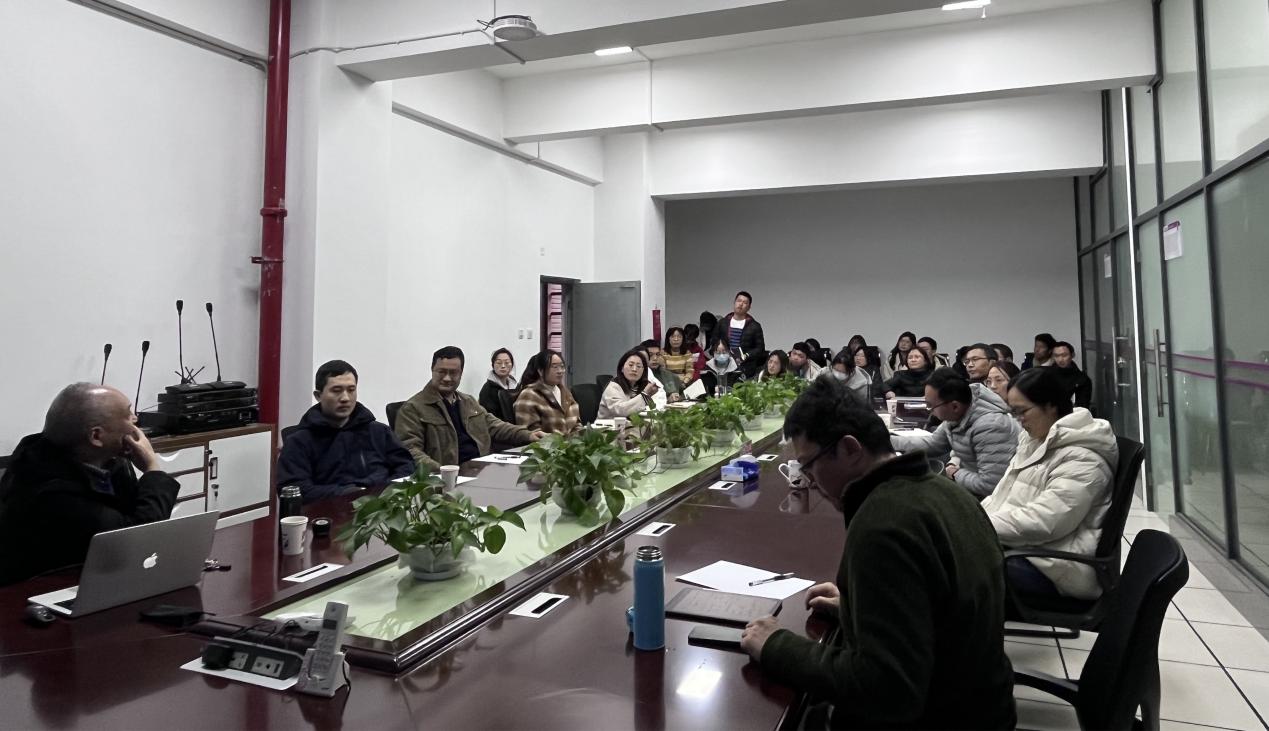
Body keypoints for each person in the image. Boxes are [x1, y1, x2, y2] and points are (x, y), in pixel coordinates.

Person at [740, 378, 1016, 729]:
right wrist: (860, 607)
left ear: (850, 448)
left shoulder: (884, 524)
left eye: (809, 466)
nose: (809, 481)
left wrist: (776, 646)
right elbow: (940, 610)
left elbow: (887, 689)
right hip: (985, 708)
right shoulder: (946, 492)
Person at [0, 383, 180, 585]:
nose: (136, 419)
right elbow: (135, 540)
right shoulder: (49, 490)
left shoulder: (109, 462)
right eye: (128, 413)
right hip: (39, 591)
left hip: (101, 576)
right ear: (96, 436)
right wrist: (153, 468)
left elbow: (134, 520)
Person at [982, 367, 1118, 599]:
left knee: (954, 569)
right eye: (1014, 412)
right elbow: (1001, 498)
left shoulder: (1083, 458)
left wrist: (977, 525)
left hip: (1055, 568)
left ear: (1051, 405)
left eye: (1022, 411)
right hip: (1025, 549)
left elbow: (1044, 522)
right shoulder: (1037, 440)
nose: (1018, 420)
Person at [277, 360, 415, 503]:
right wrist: (347, 493)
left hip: (383, 506)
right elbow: (295, 489)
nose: (345, 398)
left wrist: (385, 491)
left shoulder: (378, 431)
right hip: (329, 511)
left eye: (351, 390)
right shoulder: (299, 441)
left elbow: (406, 466)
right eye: (336, 391)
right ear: (318, 395)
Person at [395, 346, 543, 471]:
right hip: (448, 478)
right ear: (432, 370)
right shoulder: (413, 408)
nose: (447, 378)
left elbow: (495, 426)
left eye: (453, 373)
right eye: (441, 372)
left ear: (461, 374)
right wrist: (443, 473)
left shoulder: (468, 402)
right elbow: (410, 450)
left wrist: (529, 435)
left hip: (482, 470)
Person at [890, 368, 1020, 497]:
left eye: (931, 406)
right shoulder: (957, 415)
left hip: (991, 499)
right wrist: (887, 441)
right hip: (969, 487)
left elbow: (990, 485)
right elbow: (933, 444)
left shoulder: (991, 427)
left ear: (955, 406)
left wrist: (955, 473)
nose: (930, 411)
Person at [513, 350, 581, 436]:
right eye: (555, 367)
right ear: (541, 371)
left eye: (562, 366)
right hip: (547, 443)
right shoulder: (529, 395)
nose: (560, 371)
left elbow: (577, 425)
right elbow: (532, 434)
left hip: (572, 443)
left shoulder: (565, 392)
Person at [714, 291, 766, 377]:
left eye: (745, 302)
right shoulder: (723, 323)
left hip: (745, 367)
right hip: (724, 365)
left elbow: (760, 348)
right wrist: (718, 346)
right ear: (734, 303)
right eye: (739, 301)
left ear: (749, 307)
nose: (741, 304)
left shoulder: (754, 326)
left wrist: (747, 355)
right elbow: (713, 341)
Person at [600, 350, 659, 418]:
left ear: (643, 371)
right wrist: (644, 395)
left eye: (638, 366)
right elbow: (620, 411)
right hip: (609, 424)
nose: (634, 369)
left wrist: (649, 395)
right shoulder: (613, 387)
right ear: (622, 368)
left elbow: (650, 410)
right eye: (630, 365)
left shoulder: (640, 386)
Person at [1050, 341, 1093, 409]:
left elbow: (1082, 406)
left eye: (1064, 355)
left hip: (1070, 413)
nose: (1060, 359)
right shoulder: (1046, 374)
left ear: (1072, 355)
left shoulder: (1081, 379)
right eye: (1056, 356)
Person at [477, 348, 518, 420]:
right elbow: (489, 419)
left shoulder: (516, 387)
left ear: (512, 365)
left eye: (507, 362)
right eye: (499, 363)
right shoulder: (488, 389)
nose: (503, 366)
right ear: (493, 365)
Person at [640, 340, 684, 405]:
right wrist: (667, 400)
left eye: (658, 354)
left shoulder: (671, 376)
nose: (655, 358)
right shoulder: (638, 378)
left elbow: (683, 395)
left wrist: (678, 398)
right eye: (650, 355)